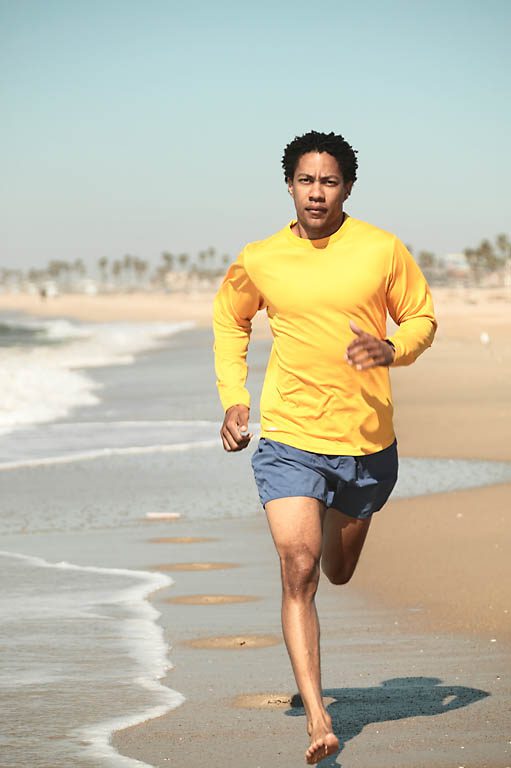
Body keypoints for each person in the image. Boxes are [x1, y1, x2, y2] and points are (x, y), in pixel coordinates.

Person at [213, 130, 437, 764]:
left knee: (338, 568)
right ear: (289, 185)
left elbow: (421, 316)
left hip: (366, 444)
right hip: (289, 438)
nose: (317, 192)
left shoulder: (380, 249)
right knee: (300, 568)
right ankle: (318, 717)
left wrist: (393, 349)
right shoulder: (261, 257)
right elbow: (230, 319)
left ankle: (352, 519)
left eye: (329, 181)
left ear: (347, 187)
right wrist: (234, 398)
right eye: (306, 180)